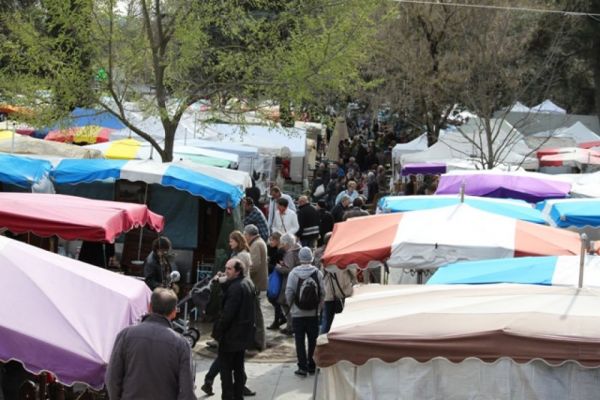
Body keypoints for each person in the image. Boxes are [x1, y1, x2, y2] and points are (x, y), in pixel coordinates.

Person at [105, 288, 196, 400]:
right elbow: (187, 391)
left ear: (149, 307)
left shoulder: (126, 335)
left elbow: (112, 378)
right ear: (173, 313)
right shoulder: (181, 344)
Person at [212, 258, 257, 400]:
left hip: (232, 336)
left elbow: (227, 314)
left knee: (226, 372)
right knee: (238, 369)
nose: (226, 271)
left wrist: (217, 333)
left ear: (237, 271)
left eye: (229, 269)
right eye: (226, 268)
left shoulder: (237, 287)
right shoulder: (247, 283)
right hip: (242, 336)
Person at [285, 247, 325, 376]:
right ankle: (312, 366)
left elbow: (289, 292)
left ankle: (302, 367)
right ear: (312, 258)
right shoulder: (317, 273)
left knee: (300, 341)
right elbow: (323, 292)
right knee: (313, 340)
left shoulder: (293, 273)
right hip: (313, 314)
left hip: (297, 313)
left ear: (300, 259)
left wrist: (292, 307)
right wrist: (318, 308)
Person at [315, 233, 355, 334]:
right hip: (343, 293)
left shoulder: (323, 256)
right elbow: (353, 273)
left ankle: (322, 344)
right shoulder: (344, 255)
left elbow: (320, 274)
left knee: (326, 322)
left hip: (328, 294)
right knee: (343, 322)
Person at [243, 224, 267, 351]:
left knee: (257, 314)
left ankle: (259, 341)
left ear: (248, 235)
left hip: (256, 283)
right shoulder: (259, 242)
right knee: (256, 313)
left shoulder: (256, 244)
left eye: (245, 235)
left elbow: (255, 265)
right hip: (257, 283)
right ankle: (257, 340)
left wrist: (243, 273)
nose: (244, 237)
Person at [274, 233, 301, 335]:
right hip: (298, 281)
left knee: (285, 303)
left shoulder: (289, 253)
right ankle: (291, 326)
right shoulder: (299, 249)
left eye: (282, 243)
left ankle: (291, 326)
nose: (281, 245)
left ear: (286, 243)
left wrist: (278, 267)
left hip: (289, 282)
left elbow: (288, 270)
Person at [266, 231, 286, 330]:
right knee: (272, 297)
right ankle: (281, 318)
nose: (270, 241)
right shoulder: (272, 249)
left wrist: (267, 263)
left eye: (273, 239)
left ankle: (277, 321)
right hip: (273, 276)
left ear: (278, 240)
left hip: (278, 276)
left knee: (274, 297)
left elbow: (278, 266)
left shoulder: (280, 252)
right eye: (270, 239)